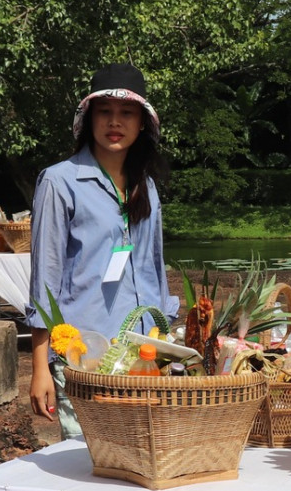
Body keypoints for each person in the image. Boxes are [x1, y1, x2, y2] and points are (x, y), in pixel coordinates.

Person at [27, 62, 178, 434]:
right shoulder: (59, 182)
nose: (115, 122)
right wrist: (39, 368)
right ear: (88, 118)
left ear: (142, 123)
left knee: (143, 465)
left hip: (145, 355)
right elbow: (44, 279)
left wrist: (167, 344)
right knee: (87, 465)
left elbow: (155, 269)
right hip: (86, 356)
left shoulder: (147, 186)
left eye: (127, 113)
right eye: (105, 112)